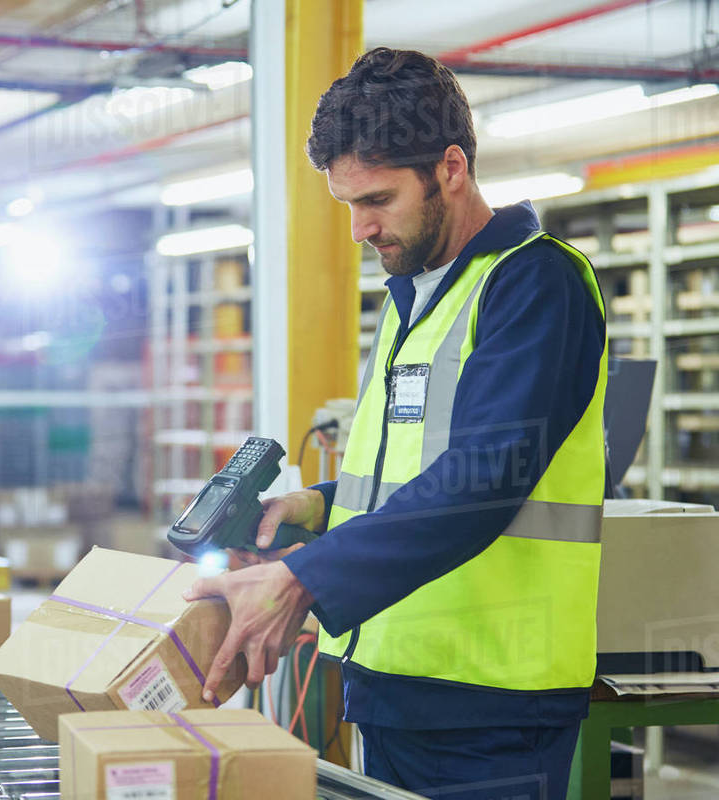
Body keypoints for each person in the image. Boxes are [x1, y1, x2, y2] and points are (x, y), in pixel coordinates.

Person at [186, 48, 606, 800]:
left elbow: (484, 478)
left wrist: (303, 580)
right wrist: (313, 507)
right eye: (347, 204)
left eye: (376, 199)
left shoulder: (536, 284)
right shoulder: (413, 295)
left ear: (451, 168)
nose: (358, 229)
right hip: (395, 684)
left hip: (493, 704)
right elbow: (408, 467)